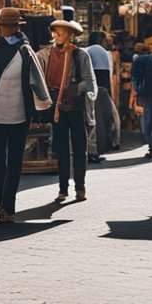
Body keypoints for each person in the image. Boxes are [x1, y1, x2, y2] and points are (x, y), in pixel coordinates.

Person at [0, 7, 52, 223]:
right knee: (14, 162)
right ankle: (7, 206)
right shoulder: (26, 51)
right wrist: (45, 105)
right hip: (19, 117)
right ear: (18, 27)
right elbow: (38, 82)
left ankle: (2, 203)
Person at [36, 18, 96, 202]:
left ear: (70, 35)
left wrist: (74, 89)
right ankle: (63, 188)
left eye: (62, 33)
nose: (58, 36)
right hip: (57, 107)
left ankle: (80, 187)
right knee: (61, 149)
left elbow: (89, 81)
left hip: (76, 106)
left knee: (79, 149)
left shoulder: (81, 55)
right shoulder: (46, 54)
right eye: (57, 32)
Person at [85, 31, 120, 161]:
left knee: (94, 120)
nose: (107, 42)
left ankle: (93, 150)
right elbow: (106, 73)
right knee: (103, 119)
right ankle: (100, 148)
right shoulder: (102, 51)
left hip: (94, 89)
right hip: (102, 87)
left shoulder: (89, 50)